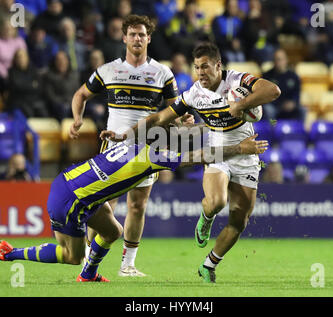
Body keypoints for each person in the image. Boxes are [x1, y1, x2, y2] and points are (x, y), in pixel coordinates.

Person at [101, 42, 280, 283]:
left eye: (205, 67)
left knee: (240, 220)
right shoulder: (194, 93)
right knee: (217, 202)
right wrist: (125, 134)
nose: (200, 72)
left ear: (218, 65)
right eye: (196, 68)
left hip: (247, 155)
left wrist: (241, 104)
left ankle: (209, 264)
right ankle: (206, 219)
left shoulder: (238, 80)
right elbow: (159, 117)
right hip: (217, 151)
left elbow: (273, 91)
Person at [0, 131, 269, 282]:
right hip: (70, 200)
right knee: (71, 254)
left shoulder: (134, 144)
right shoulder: (152, 156)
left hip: (72, 185)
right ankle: (10, 253)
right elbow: (200, 155)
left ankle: (89, 275)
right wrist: (238, 149)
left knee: (112, 231)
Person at [69, 14, 189, 277]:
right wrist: (78, 118)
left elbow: (174, 111)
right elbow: (80, 95)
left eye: (142, 34)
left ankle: (128, 264)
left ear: (149, 38)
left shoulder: (162, 73)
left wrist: (184, 118)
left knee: (138, 205)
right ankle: (90, 258)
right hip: (114, 146)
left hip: (148, 146)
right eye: (132, 34)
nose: (137, 38)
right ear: (124, 38)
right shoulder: (109, 70)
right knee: (104, 205)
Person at [262, 48, 304, 121]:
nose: (278, 62)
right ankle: (272, 128)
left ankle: (299, 130)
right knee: (268, 109)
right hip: (274, 106)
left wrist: (293, 102)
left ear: (286, 60)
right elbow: (265, 96)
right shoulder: (267, 76)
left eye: (280, 59)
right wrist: (279, 104)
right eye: (276, 59)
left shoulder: (294, 77)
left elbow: (297, 93)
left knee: (303, 110)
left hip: (290, 106)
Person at [6, 48, 49, 118]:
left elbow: (39, 87)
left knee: (44, 112)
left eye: (23, 56)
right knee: (27, 112)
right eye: (19, 57)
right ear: (15, 59)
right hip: (18, 102)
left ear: (27, 58)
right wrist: (32, 85)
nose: (21, 59)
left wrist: (24, 84)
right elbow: (17, 87)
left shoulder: (33, 70)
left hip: (33, 101)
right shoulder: (11, 72)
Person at [43, 51, 80, 121]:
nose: (61, 62)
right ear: (55, 62)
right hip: (57, 106)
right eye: (58, 60)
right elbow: (50, 96)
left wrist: (71, 103)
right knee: (64, 109)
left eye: (63, 59)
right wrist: (65, 102)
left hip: (72, 103)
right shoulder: (49, 76)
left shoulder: (74, 75)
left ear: (67, 61)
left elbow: (78, 93)